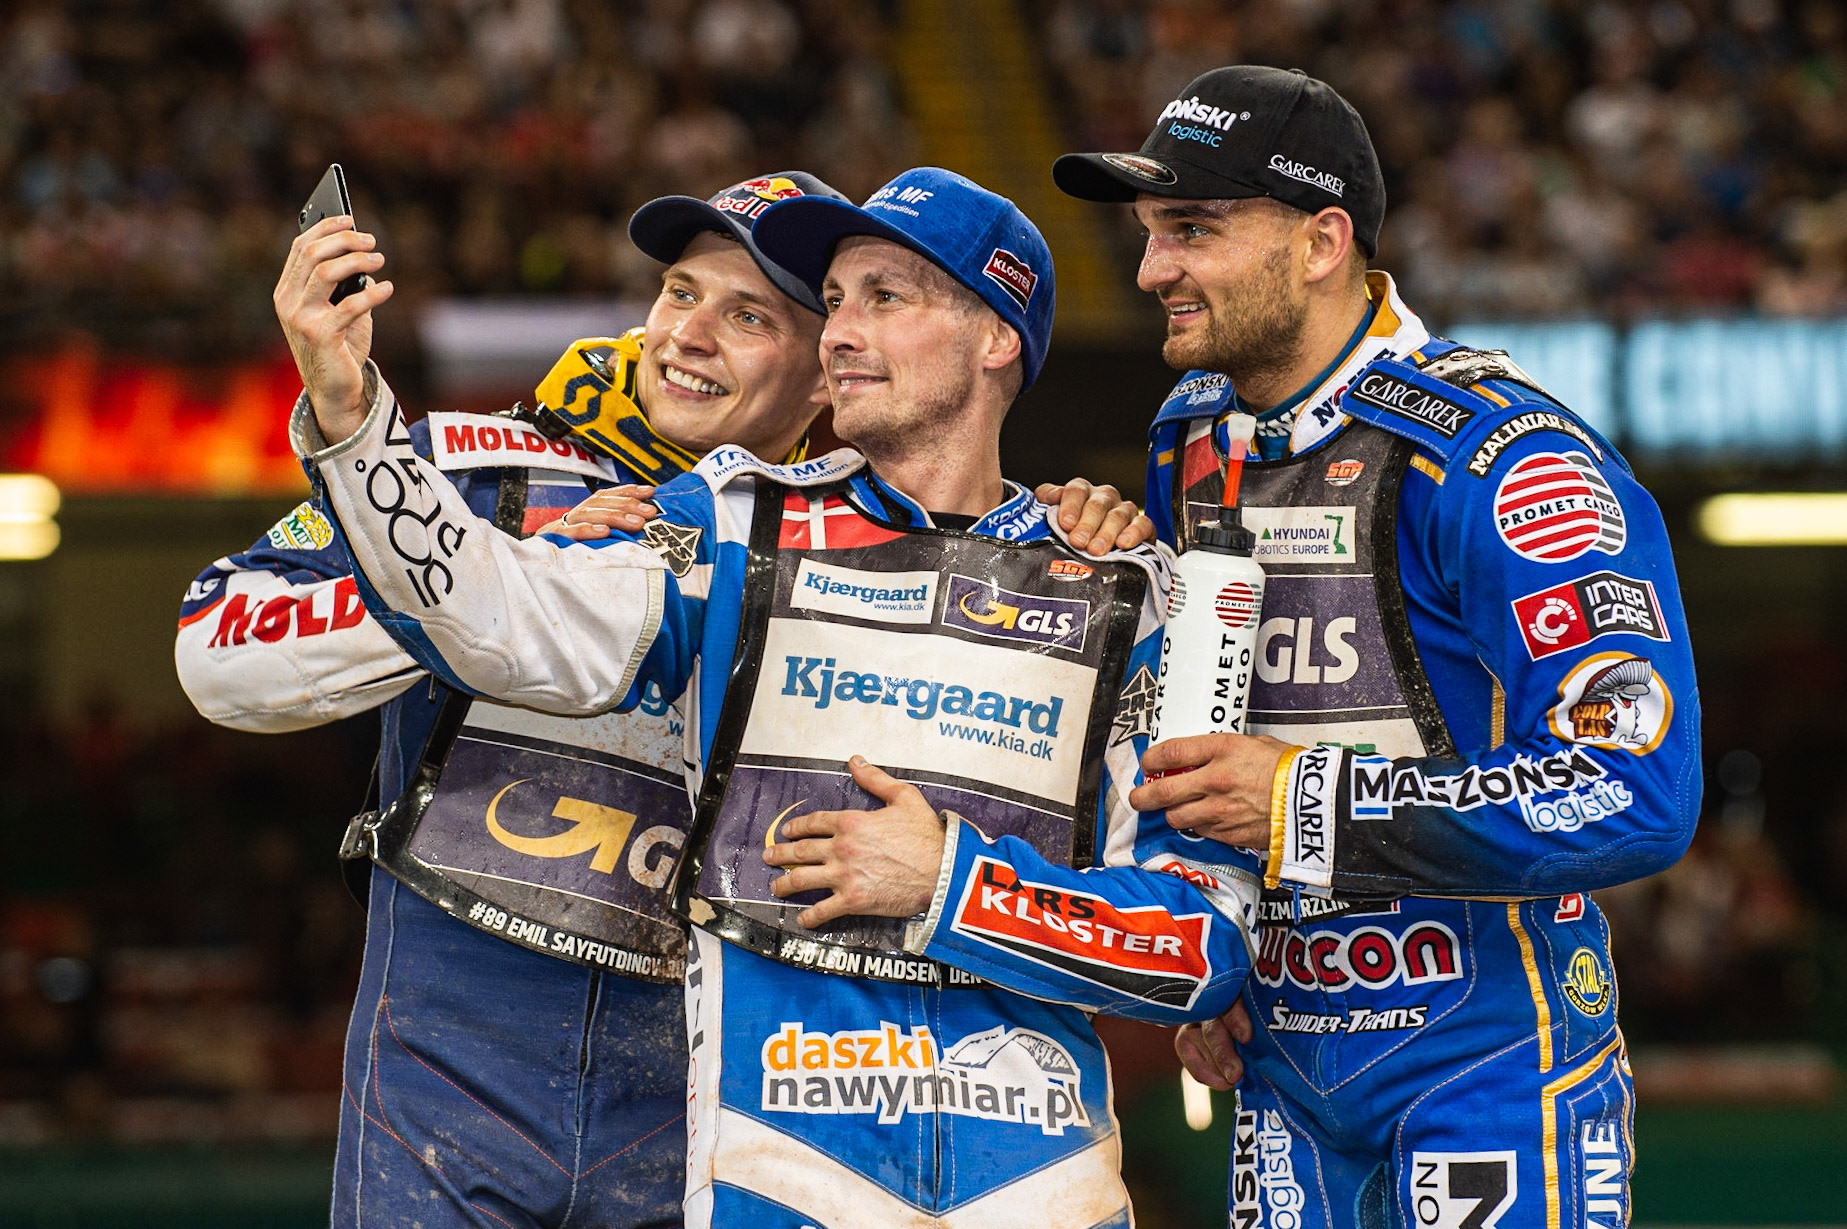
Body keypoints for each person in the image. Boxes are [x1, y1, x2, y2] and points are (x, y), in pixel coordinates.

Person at [280, 165, 1262, 1229]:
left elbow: (1199, 943)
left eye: (885, 297)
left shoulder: (1130, 588)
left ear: (995, 337)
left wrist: (947, 883)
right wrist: (353, 425)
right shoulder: (730, 523)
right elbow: (492, 619)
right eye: (834, 300)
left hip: (1040, 1189)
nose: (839, 330)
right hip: (780, 1183)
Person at [1049, 65, 1699, 1229]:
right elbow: (1198, 737)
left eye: (1190, 229)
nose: (1151, 271)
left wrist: (1305, 801)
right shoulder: (1188, 433)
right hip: (1281, 1072)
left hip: (1490, 1060)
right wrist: (1209, 945)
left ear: (1320, 240)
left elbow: (1635, 786)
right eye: (1150, 235)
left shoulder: (1505, 456)